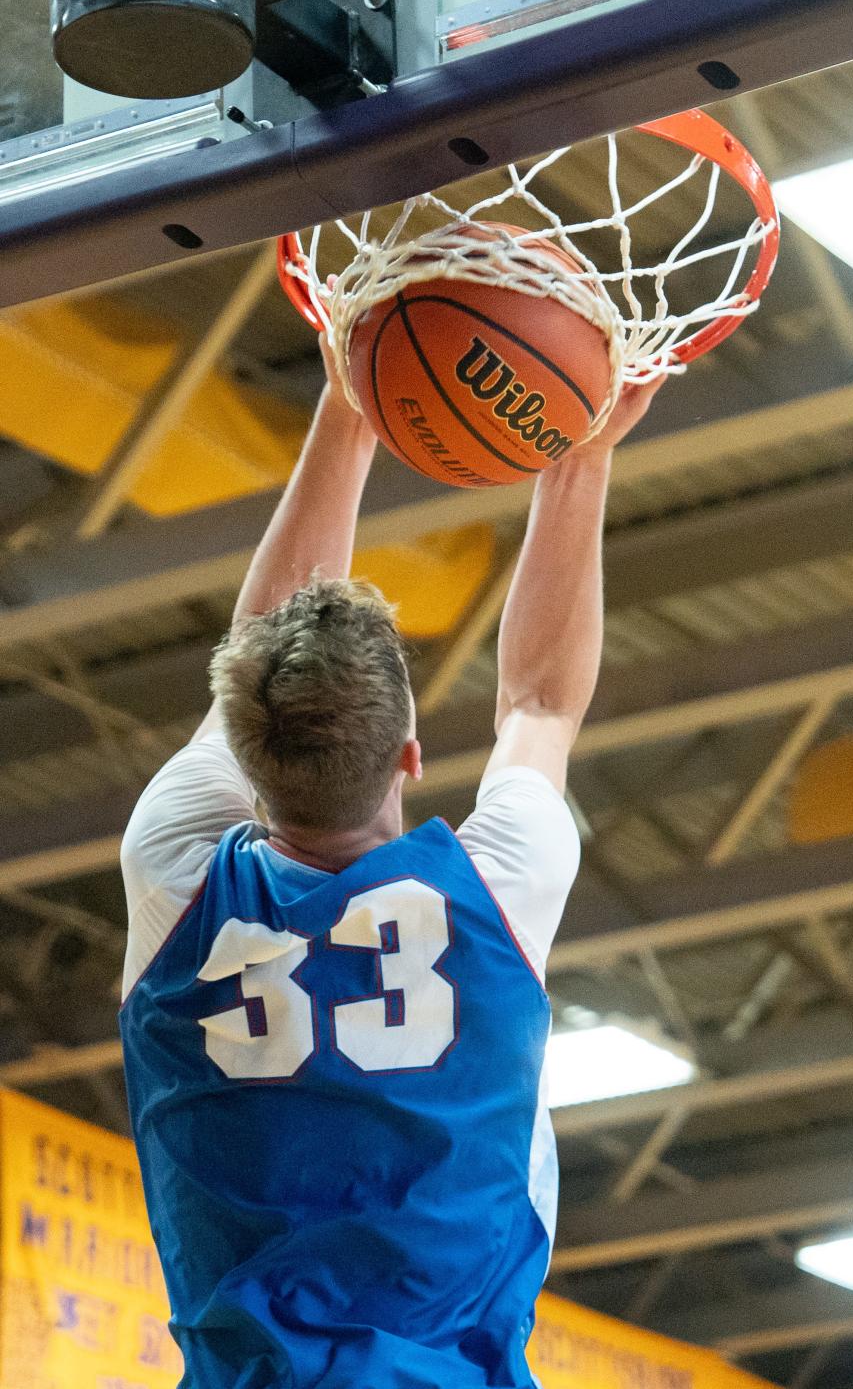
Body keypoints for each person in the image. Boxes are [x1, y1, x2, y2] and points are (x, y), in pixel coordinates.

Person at [119, 334, 663, 1389]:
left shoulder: (176, 872)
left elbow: (267, 654)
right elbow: (542, 702)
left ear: (244, 748)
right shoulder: (493, 892)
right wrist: (573, 457)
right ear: (411, 752)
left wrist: (351, 407)